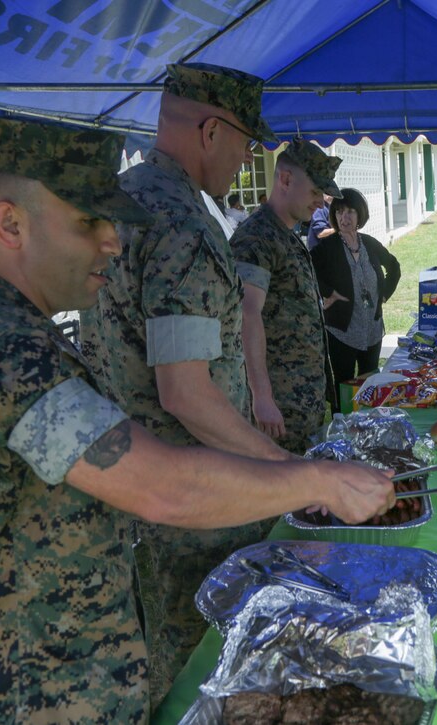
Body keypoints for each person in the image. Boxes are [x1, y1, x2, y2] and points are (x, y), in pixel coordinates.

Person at [0, 113, 394, 723]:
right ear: (9, 224)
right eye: (88, 221)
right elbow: (162, 488)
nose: (111, 241)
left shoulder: (9, 330)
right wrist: (317, 481)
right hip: (11, 697)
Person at [79, 62, 302, 705]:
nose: (245, 160)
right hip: (187, 505)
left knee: (151, 669)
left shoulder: (121, 201)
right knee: (202, 681)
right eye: (244, 143)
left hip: (125, 485)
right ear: (211, 131)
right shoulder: (181, 225)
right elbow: (187, 393)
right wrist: (283, 472)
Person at [232, 138, 342, 454]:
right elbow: (246, 313)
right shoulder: (257, 237)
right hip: (279, 410)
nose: (321, 202)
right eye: (314, 192)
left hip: (300, 403)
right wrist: (262, 396)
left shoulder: (283, 233)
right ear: (284, 180)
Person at [310, 188, 401, 404]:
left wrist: (384, 295)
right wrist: (327, 292)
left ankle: (368, 427)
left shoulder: (368, 243)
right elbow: (307, 269)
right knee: (344, 386)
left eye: (350, 211)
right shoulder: (327, 246)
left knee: (370, 383)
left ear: (360, 214)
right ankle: (342, 429)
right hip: (342, 331)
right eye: (340, 212)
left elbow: (394, 267)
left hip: (372, 328)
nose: (344, 217)